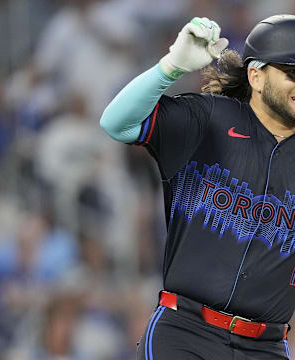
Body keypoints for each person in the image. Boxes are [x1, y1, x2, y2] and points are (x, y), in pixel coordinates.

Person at [100, 15, 295, 360]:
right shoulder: (209, 119)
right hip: (186, 333)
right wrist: (170, 67)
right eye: (292, 73)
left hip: (266, 347)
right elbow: (117, 123)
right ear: (256, 76)